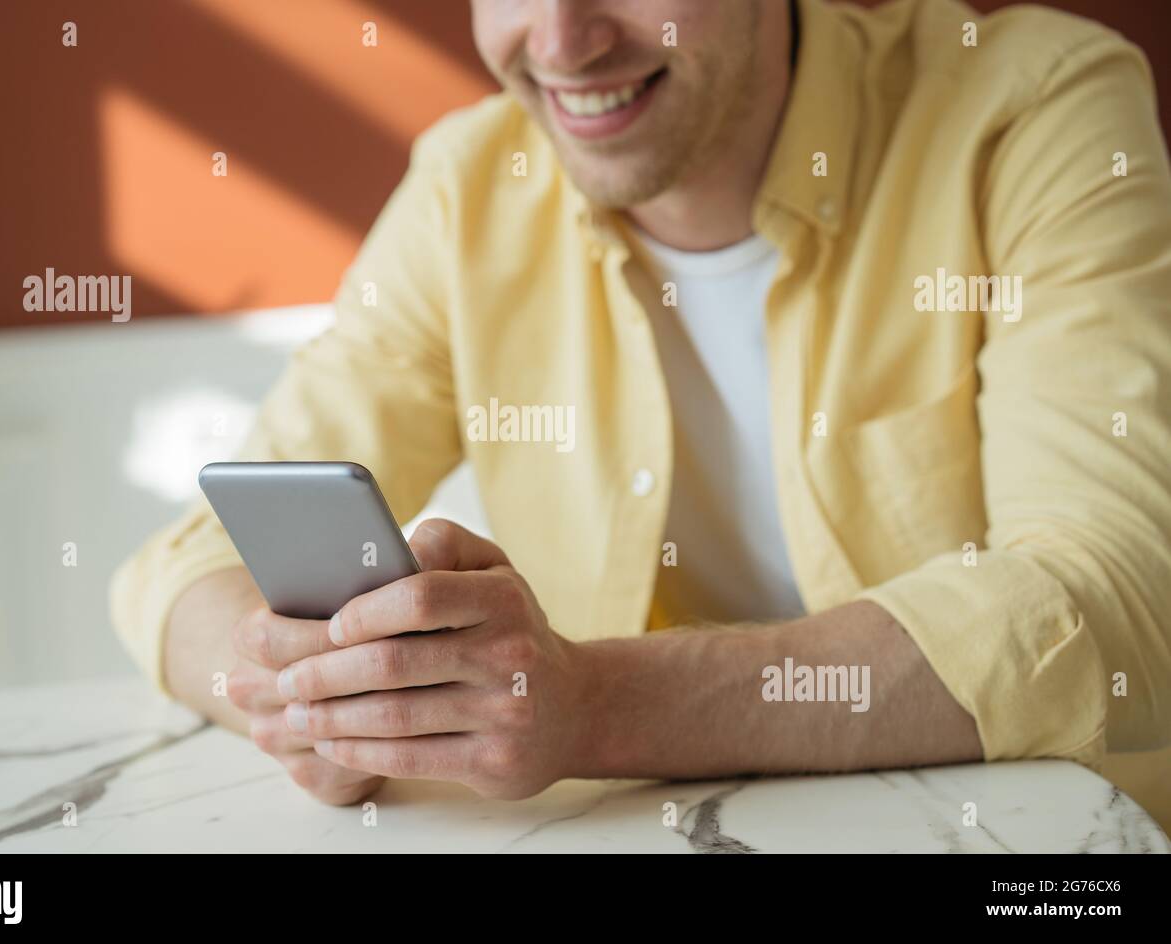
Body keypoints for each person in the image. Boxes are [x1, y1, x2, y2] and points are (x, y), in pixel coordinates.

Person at [111, 0, 1171, 824]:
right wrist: (319, 699)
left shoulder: (1032, 108)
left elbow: (1110, 594)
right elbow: (183, 563)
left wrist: (591, 703)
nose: (564, 41)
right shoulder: (469, 189)